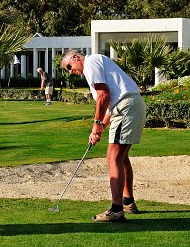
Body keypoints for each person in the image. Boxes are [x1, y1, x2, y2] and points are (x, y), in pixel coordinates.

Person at [60, 50, 146, 223]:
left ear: (76, 58)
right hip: (130, 105)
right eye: (66, 70)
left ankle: (116, 210)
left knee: (113, 157)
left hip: (126, 107)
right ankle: (128, 202)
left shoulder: (91, 62)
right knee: (121, 158)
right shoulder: (96, 65)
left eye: (69, 66)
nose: (70, 71)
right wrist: (100, 128)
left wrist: (97, 124)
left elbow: (103, 95)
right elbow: (108, 105)